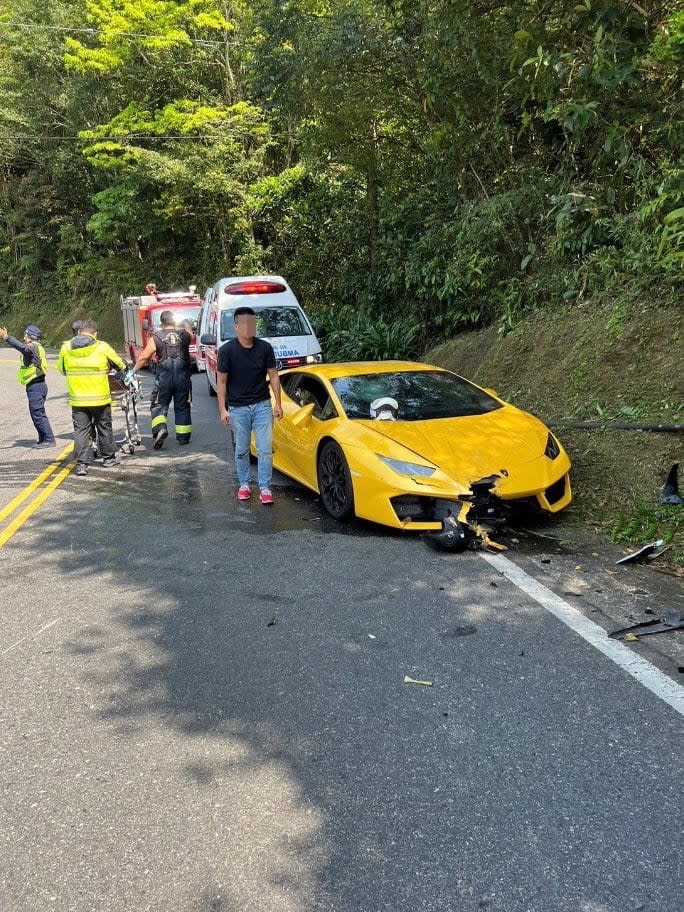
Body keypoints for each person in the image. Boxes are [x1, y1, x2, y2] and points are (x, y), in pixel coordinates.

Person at [216, 306, 283, 504]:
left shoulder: (264, 348)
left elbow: (273, 376)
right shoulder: (227, 351)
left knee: (264, 449)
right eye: (244, 324)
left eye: (252, 323)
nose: (248, 328)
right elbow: (221, 382)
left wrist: (278, 403)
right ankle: (244, 484)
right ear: (236, 326)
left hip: (262, 405)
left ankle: (265, 487)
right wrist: (222, 409)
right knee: (242, 449)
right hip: (238, 408)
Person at [56, 319, 126, 476]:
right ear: (95, 334)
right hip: (100, 397)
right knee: (104, 426)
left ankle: (81, 465)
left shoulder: (66, 347)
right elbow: (120, 364)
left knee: (81, 430)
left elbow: (61, 369)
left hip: (78, 398)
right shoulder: (102, 347)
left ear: (80, 331)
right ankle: (108, 458)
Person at [133, 310, 192, 448]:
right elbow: (190, 332)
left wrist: (133, 370)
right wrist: (186, 324)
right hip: (183, 378)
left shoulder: (156, 338)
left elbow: (144, 357)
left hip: (164, 378)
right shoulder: (184, 335)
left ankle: (160, 429)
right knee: (182, 406)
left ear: (162, 323)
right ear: (174, 321)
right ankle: (183, 437)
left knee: (159, 405)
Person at [0, 324, 56, 448]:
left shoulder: (32, 347)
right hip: (35, 385)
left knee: (37, 412)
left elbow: (23, 349)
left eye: (25, 334)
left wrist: (6, 337)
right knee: (36, 412)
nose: (24, 336)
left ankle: (49, 439)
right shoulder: (36, 347)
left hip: (36, 386)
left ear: (30, 336)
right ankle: (43, 438)